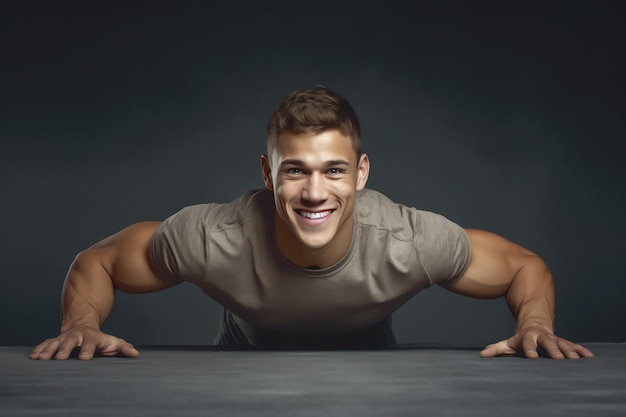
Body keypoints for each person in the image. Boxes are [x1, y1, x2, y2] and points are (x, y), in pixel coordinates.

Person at [31, 87, 593, 360]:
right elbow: (99, 261)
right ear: (268, 174)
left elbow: (523, 266)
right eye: (295, 170)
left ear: (362, 173)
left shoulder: (408, 240)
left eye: (335, 170)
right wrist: (79, 322)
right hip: (233, 384)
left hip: (375, 386)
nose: (315, 192)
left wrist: (534, 325)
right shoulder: (213, 236)